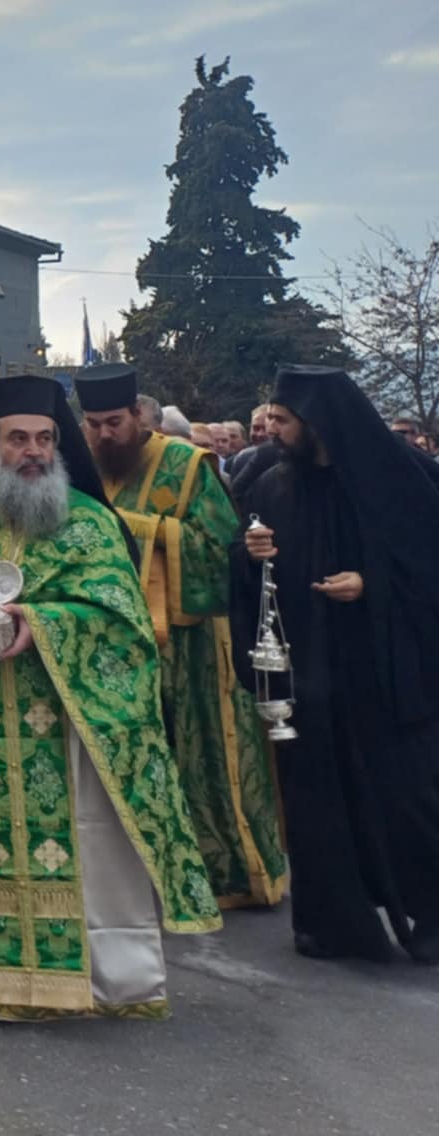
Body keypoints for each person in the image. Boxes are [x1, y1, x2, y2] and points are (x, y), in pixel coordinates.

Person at [0, 375, 220, 1020]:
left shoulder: (92, 525)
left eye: (43, 439)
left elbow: (125, 627)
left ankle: (91, 974)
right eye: (17, 439)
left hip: (67, 722)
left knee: (82, 843)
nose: (32, 451)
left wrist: (46, 626)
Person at [236, 367, 439, 963]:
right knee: (317, 800)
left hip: (385, 674)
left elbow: (429, 564)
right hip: (311, 675)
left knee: (406, 799)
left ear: (319, 423)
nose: (274, 431)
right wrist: (248, 555)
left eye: (285, 421)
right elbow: (256, 574)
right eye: (271, 418)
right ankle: (331, 924)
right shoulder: (275, 484)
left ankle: (431, 914)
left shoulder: (403, 478)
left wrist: (371, 585)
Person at [77, 363, 288, 909]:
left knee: (203, 759)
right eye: (94, 423)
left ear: (139, 418)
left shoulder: (186, 463)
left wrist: (137, 529)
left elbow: (222, 550)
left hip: (191, 642)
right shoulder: (81, 468)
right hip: (115, 638)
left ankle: (227, 874)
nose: (104, 434)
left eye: (114, 423)